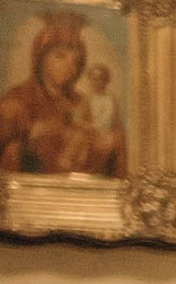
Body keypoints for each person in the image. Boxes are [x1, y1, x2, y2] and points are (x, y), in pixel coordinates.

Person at [0, 12, 122, 176]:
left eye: (76, 61)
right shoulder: (17, 99)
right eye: (60, 56)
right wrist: (31, 136)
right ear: (40, 58)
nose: (70, 67)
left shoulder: (81, 101)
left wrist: (107, 144)